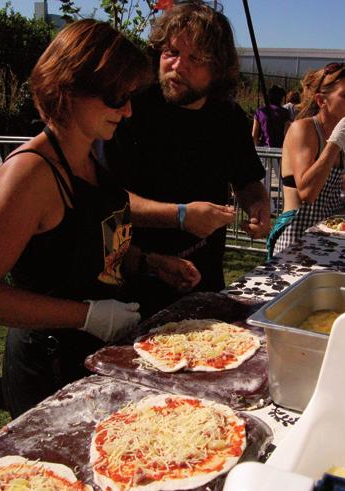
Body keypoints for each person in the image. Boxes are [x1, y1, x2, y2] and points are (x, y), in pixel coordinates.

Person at [0, 19, 200, 418]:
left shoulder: (93, 153)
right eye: (117, 96)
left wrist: (148, 262)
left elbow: (83, 241)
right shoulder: (31, 173)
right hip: (49, 366)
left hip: (92, 354)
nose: (128, 109)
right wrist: (88, 316)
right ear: (68, 88)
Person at [105, 1, 270, 316]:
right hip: (133, 284)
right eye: (171, 52)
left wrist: (258, 205)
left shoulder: (229, 117)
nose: (178, 66)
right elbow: (106, 198)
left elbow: (247, 179)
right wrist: (179, 215)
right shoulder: (130, 110)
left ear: (218, 68)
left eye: (196, 58)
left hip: (205, 279)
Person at [267, 62, 345, 258]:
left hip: (323, 238)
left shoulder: (337, 135)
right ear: (321, 100)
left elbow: (326, 192)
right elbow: (308, 192)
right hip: (295, 238)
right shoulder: (304, 129)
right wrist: (335, 143)